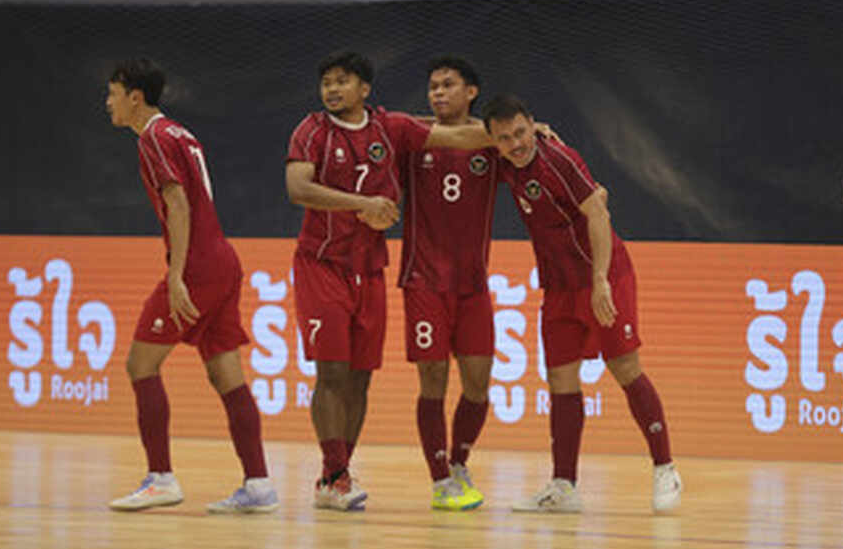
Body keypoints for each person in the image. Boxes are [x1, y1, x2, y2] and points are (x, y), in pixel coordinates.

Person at [285, 50, 495, 512]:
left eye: (342, 81)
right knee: (332, 372)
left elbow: (454, 134)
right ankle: (337, 474)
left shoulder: (389, 128)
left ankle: (334, 475)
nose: (332, 90)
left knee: (360, 378)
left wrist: (521, 133)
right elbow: (298, 189)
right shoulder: (311, 131)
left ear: (365, 89)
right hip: (322, 265)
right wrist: (360, 205)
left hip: (370, 269)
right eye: (327, 83)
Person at [480, 93, 683, 514]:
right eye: (505, 138)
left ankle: (665, 468)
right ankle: (564, 485)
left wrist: (600, 282)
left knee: (625, 369)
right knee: (561, 380)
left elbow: (599, 214)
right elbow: (453, 129)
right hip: (558, 288)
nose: (516, 144)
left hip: (603, 278)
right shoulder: (505, 161)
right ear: (494, 141)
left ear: (532, 124)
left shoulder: (560, 159)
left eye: (521, 132)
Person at [104, 58, 278, 515]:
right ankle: (259, 485)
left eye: (112, 94)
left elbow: (177, 202)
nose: (108, 103)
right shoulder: (181, 133)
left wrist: (177, 273)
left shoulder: (154, 138)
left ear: (134, 97)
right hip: (223, 260)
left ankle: (161, 477)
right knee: (227, 376)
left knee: (140, 365)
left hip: (199, 265)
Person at [398, 57, 497, 511]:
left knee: (478, 383)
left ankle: (458, 462)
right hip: (424, 279)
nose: (437, 93)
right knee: (433, 378)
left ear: (471, 92)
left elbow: (525, 150)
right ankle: (440, 479)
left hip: (472, 283)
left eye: (448, 85)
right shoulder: (413, 139)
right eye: (432, 86)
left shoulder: (493, 142)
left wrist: (536, 132)